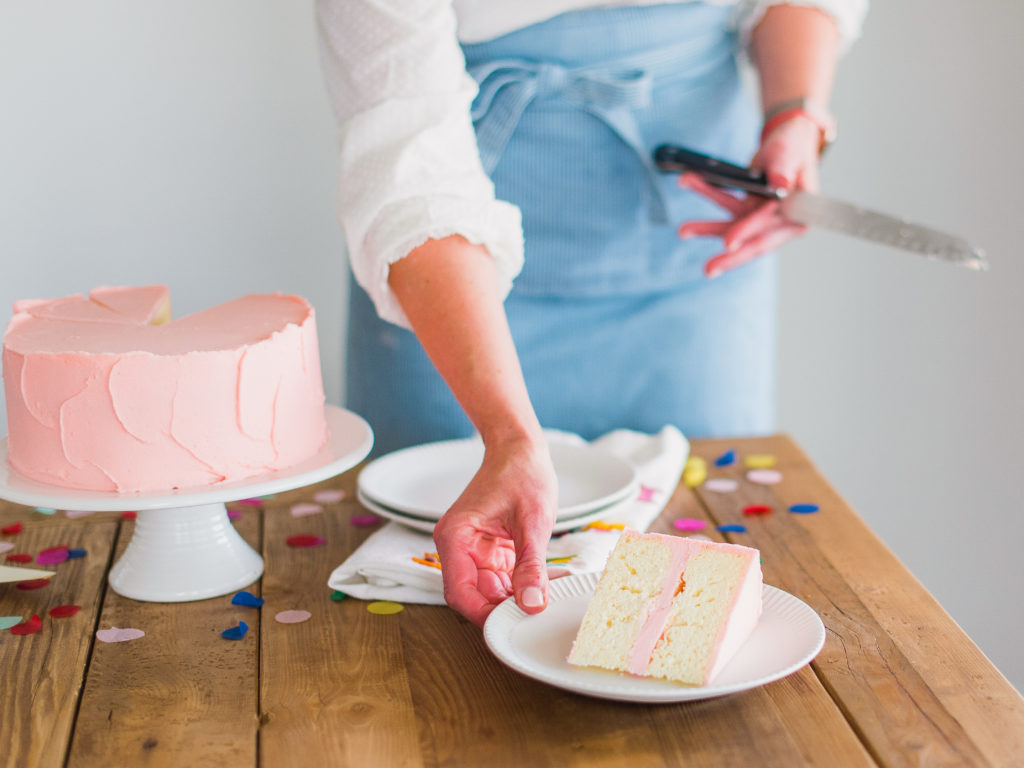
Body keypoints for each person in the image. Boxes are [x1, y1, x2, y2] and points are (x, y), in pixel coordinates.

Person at [316, 0, 867, 626]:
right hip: (447, 279)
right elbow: (411, 176)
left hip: (693, 243)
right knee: (440, 600)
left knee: (702, 586)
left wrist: (794, 111)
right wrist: (508, 436)